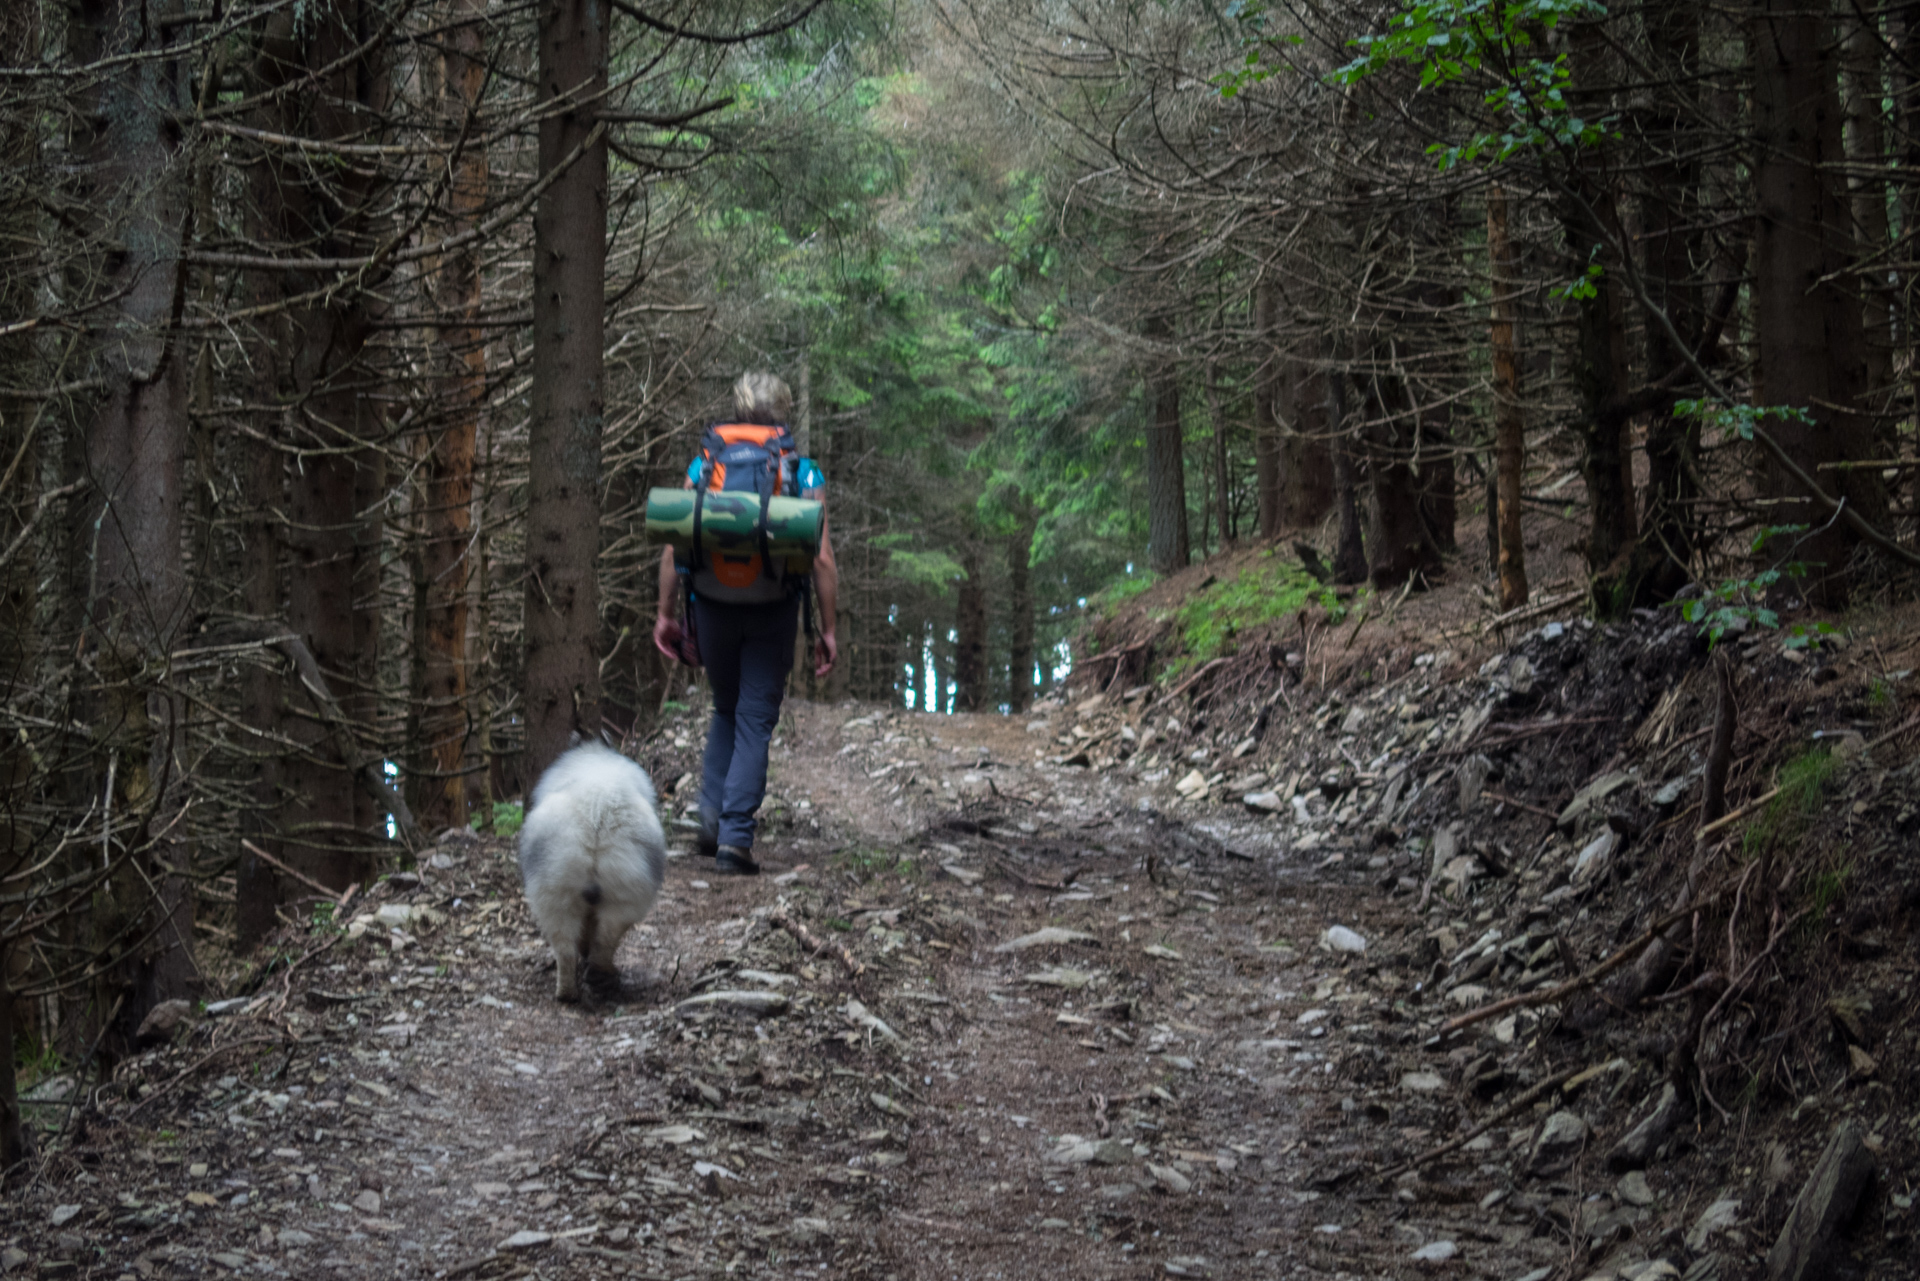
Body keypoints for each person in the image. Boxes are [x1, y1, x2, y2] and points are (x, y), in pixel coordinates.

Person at [652, 372, 837, 876]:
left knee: (726, 710)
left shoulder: (705, 461)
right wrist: (828, 629)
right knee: (755, 718)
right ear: (784, 411)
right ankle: (735, 839)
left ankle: (711, 819)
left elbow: (676, 542)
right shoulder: (803, 470)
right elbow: (820, 559)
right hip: (773, 608)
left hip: (710, 604)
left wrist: (666, 614)